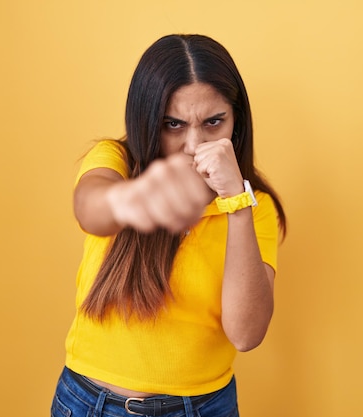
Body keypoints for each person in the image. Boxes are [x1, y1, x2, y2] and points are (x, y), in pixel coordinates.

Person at [51, 34, 287, 417]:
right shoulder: (116, 162)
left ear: (236, 122)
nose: (194, 145)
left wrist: (236, 203)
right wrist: (132, 198)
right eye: (173, 125)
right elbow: (89, 208)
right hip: (90, 404)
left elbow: (246, 335)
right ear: (147, 122)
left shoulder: (254, 207)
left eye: (214, 122)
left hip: (204, 408)